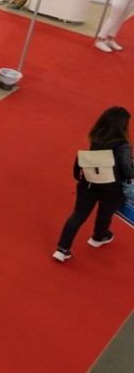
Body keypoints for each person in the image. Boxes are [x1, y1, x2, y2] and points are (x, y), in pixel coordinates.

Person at [52, 106, 134, 262]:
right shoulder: (123, 145)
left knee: (77, 216)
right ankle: (98, 237)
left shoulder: (97, 137)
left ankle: (62, 249)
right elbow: (128, 172)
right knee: (105, 214)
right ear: (122, 125)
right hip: (111, 190)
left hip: (88, 184)